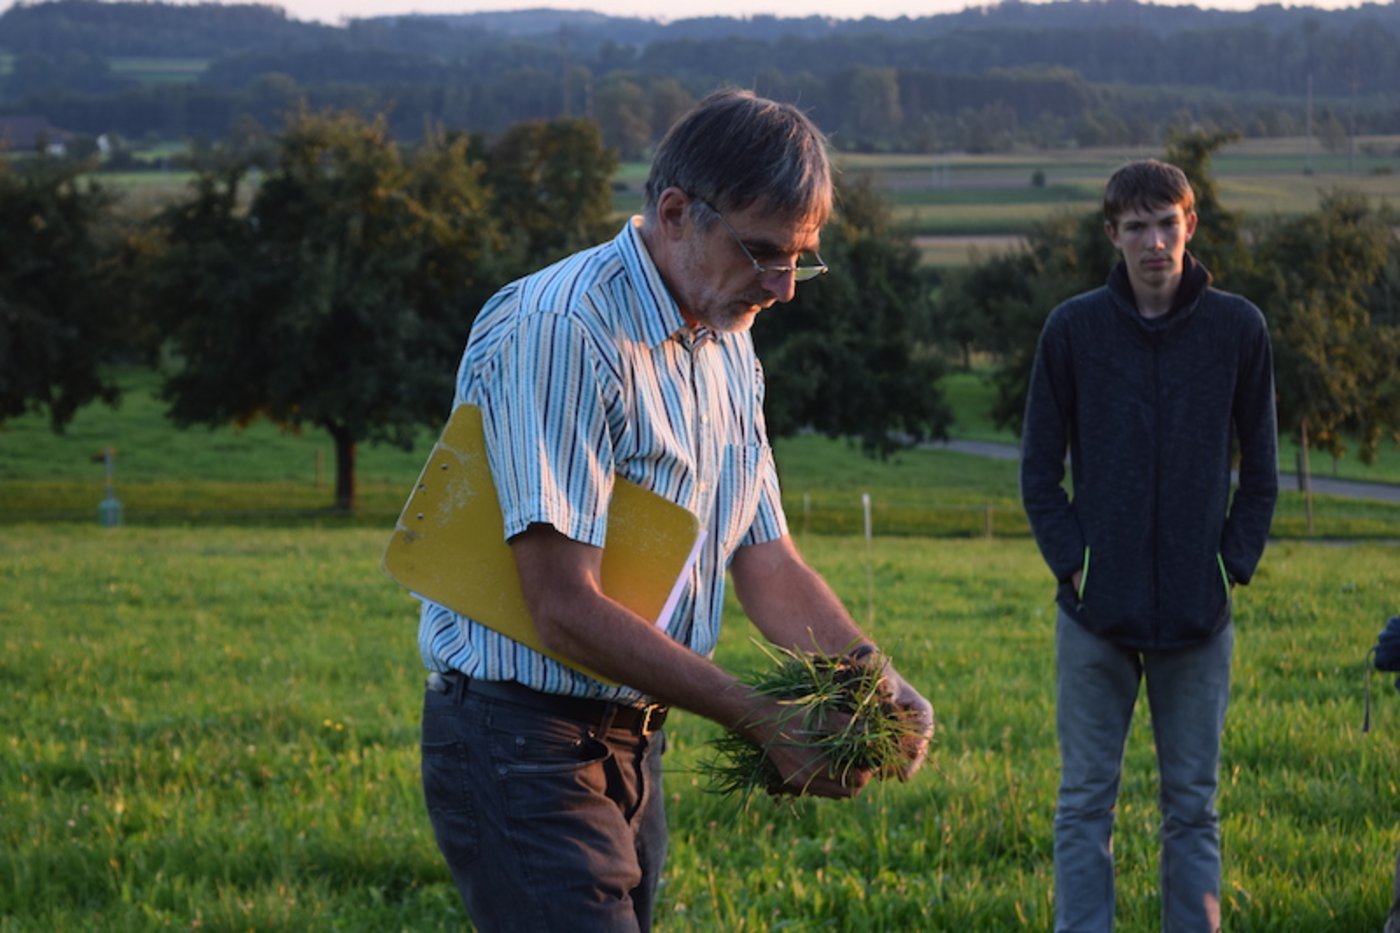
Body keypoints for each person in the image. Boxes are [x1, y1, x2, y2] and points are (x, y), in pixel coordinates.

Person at [415, 88, 934, 932]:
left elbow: (766, 554)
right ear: (675, 211)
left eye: (802, 258)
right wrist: (761, 717)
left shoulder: (728, 338)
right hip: (520, 741)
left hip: (634, 738)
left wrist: (871, 679)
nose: (784, 287)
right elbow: (562, 606)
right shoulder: (566, 328)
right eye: (765, 252)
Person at [1020, 159, 1278, 932]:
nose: (1154, 241)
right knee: (1083, 805)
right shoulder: (1073, 329)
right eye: (1137, 226)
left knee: (1192, 808)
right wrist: (1075, 560)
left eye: (1168, 223)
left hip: (1199, 616)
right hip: (1095, 613)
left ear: (1190, 226)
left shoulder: (1239, 329)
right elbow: (1038, 466)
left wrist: (1230, 563)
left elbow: (1261, 468)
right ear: (1114, 235)